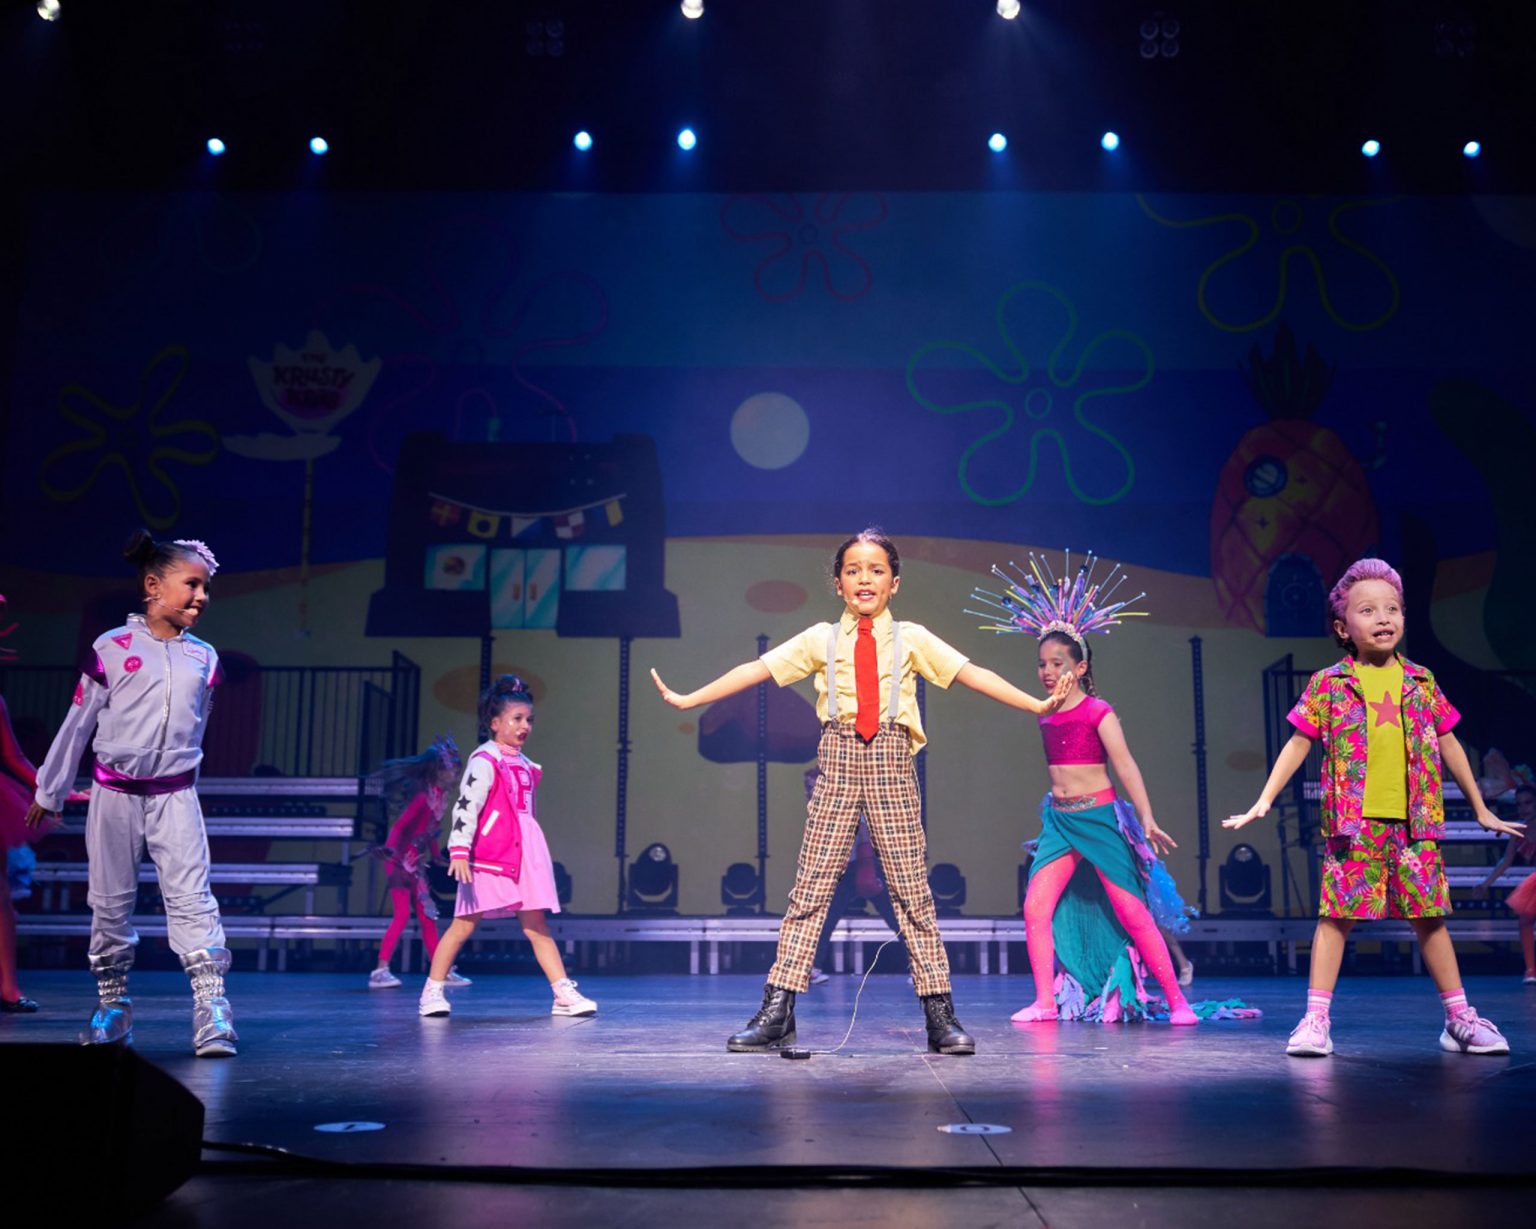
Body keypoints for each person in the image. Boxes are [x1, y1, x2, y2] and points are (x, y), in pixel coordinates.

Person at [652, 528, 1071, 1055]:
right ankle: (778, 1010)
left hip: (892, 759)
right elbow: (757, 669)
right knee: (811, 888)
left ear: (895, 582)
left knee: (911, 890)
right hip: (838, 757)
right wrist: (692, 699)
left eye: (876, 570)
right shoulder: (821, 638)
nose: (864, 579)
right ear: (838, 583)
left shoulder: (912, 638)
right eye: (853, 570)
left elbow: (972, 673)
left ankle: (940, 1014)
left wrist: (1035, 704)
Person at [1227, 557, 1525, 1056]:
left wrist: (1480, 807)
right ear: (1343, 627)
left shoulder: (1421, 682)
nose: (1383, 618)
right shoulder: (1329, 684)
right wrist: (1264, 798)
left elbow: (1449, 743)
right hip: (1354, 826)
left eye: (1392, 608)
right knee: (1335, 918)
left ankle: (1459, 1019)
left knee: (1430, 918)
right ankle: (1315, 1020)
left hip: (1415, 826)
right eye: (1368, 610)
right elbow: (1298, 743)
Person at [26, 532, 239, 1056]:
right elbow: (78, 723)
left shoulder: (204, 658)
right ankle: (112, 1004)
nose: (201, 596)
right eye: (192, 584)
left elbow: (197, 727)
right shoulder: (112, 648)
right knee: (110, 899)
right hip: (115, 795)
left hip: (176, 796)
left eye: (206, 588)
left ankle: (212, 1008)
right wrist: (50, 790)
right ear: (153, 585)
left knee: (192, 898)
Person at [969, 552, 1198, 1025]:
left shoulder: (1098, 711)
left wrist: (1147, 817)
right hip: (1060, 821)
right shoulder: (1044, 712)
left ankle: (1179, 1002)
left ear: (1081, 665)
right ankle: (1044, 1002)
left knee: (1132, 910)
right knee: (1035, 907)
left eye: (1057, 662)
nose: (1047, 671)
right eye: (1042, 664)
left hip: (1099, 818)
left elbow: (1126, 765)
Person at [418, 675, 595, 1019]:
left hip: (524, 852)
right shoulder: (485, 760)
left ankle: (562, 993)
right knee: (463, 924)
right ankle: (432, 991)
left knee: (536, 925)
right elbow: (466, 806)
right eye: (516, 719)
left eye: (529, 719)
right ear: (494, 722)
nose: (525, 726)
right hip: (491, 854)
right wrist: (459, 850)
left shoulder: (525, 765)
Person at [366, 734, 471, 990]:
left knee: (427, 917)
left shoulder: (439, 797)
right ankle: (380, 971)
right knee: (402, 914)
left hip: (416, 862)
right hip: (399, 861)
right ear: (438, 771)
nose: (455, 776)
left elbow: (428, 831)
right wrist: (391, 851)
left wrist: (436, 857)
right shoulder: (424, 797)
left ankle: (441, 971)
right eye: (452, 771)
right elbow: (401, 827)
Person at [802, 767, 911, 984]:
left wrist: (867, 863)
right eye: (808, 787)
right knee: (825, 918)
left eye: (814, 786)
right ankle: (813, 968)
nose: (811, 791)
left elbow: (864, 830)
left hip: (866, 865)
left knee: (894, 916)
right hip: (844, 869)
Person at [1473, 783, 1536, 984]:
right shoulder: (1518, 829)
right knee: (1525, 920)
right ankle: (1531, 970)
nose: (1524, 808)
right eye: (1519, 804)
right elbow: (1506, 861)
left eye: (1528, 803)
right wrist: (1485, 884)